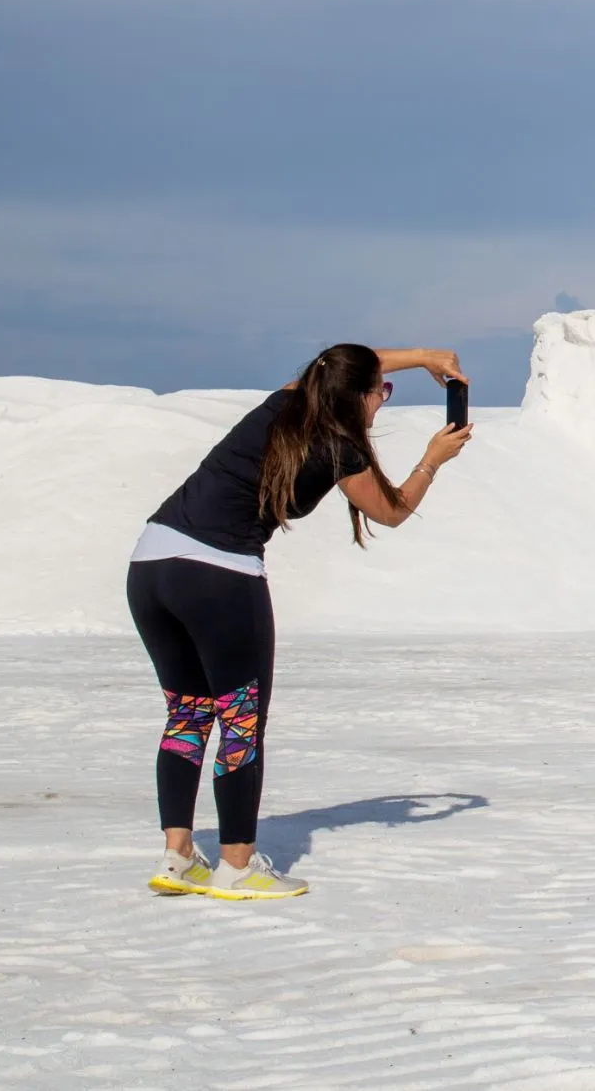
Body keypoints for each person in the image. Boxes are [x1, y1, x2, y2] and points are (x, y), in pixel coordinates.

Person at [127, 343, 472, 900]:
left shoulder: (284, 401)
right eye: (379, 394)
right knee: (240, 720)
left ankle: (178, 857)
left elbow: (336, 362)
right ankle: (236, 866)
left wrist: (421, 356)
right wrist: (433, 459)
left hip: (150, 563)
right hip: (220, 574)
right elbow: (391, 511)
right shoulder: (340, 447)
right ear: (358, 396)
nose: (381, 403)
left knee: (188, 712)